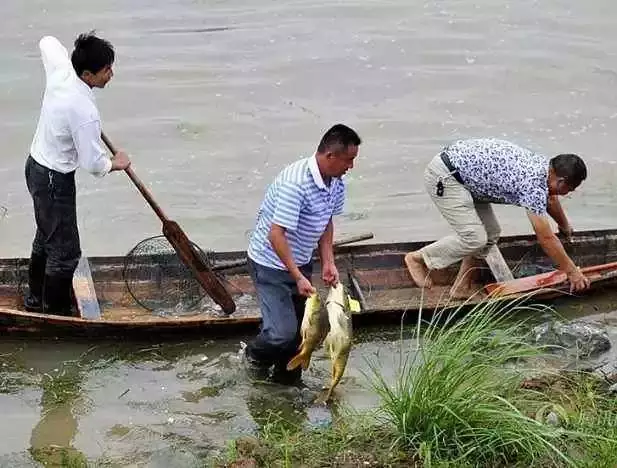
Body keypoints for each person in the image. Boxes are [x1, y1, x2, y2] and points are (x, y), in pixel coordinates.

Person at [244, 124, 361, 385]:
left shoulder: (336, 182)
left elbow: (325, 221)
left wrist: (328, 261)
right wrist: (296, 276)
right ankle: (252, 356)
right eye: (349, 159)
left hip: (301, 259)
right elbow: (276, 235)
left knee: (301, 336)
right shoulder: (295, 183)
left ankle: (284, 383)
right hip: (270, 263)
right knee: (280, 336)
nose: (351, 166)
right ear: (330, 156)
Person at [24, 32, 131, 316]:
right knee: (66, 252)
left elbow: (46, 41)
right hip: (53, 180)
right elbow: (94, 164)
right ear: (87, 74)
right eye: (106, 70)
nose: (111, 74)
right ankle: (56, 313)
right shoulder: (84, 111)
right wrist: (116, 162)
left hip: (35, 167)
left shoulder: (61, 70)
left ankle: (35, 299)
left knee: (47, 237)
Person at [404, 137, 591, 297]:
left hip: (468, 178)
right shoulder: (533, 184)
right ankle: (417, 258)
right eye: (569, 189)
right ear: (560, 181)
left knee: (491, 233)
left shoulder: (544, 168)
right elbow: (546, 238)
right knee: (475, 238)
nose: (567, 194)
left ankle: (461, 286)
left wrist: (564, 225)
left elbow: (550, 199)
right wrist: (572, 272)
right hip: (446, 177)